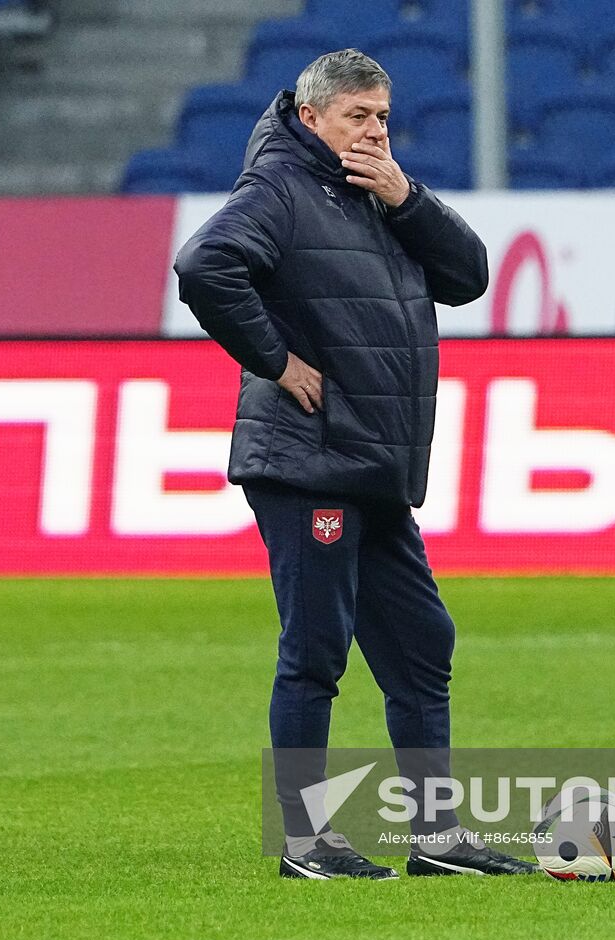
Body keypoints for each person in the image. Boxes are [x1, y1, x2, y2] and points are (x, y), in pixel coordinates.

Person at [175, 49, 538, 880]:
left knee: (422, 643)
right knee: (316, 651)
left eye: (382, 116)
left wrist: (404, 193)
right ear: (312, 118)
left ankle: (437, 841)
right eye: (357, 117)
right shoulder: (278, 189)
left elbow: (469, 274)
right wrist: (275, 360)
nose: (375, 130)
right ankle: (306, 845)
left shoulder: (375, 194)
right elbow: (206, 265)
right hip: (309, 462)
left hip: (367, 463)